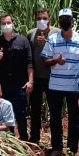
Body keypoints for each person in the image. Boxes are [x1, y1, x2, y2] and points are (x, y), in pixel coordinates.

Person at [41, 8, 79, 156]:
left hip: (74, 85)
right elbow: (45, 61)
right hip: (55, 85)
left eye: (68, 18)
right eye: (63, 19)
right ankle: (56, 147)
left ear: (72, 20)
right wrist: (56, 61)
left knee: (74, 117)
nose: (65, 21)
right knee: (55, 117)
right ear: (59, 21)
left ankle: (72, 148)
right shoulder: (52, 39)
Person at [0, 14, 33, 140]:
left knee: (21, 113)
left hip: (20, 84)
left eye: (8, 22)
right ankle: (10, 138)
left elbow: (29, 62)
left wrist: (30, 81)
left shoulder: (23, 40)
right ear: (0, 26)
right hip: (3, 85)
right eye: (3, 23)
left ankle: (24, 138)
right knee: (6, 113)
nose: (6, 25)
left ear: (13, 23)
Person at [26, 8, 60, 144]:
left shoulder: (56, 33)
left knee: (54, 110)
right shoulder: (31, 34)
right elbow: (28, 56)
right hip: (37, 78)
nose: (42, 21)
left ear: (49, 19)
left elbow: (60, 52)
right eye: (39, 18)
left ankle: (56, 143)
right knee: (35, 110)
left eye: (44, 18)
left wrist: (46, 42)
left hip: (53, 77)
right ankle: (34, 139)